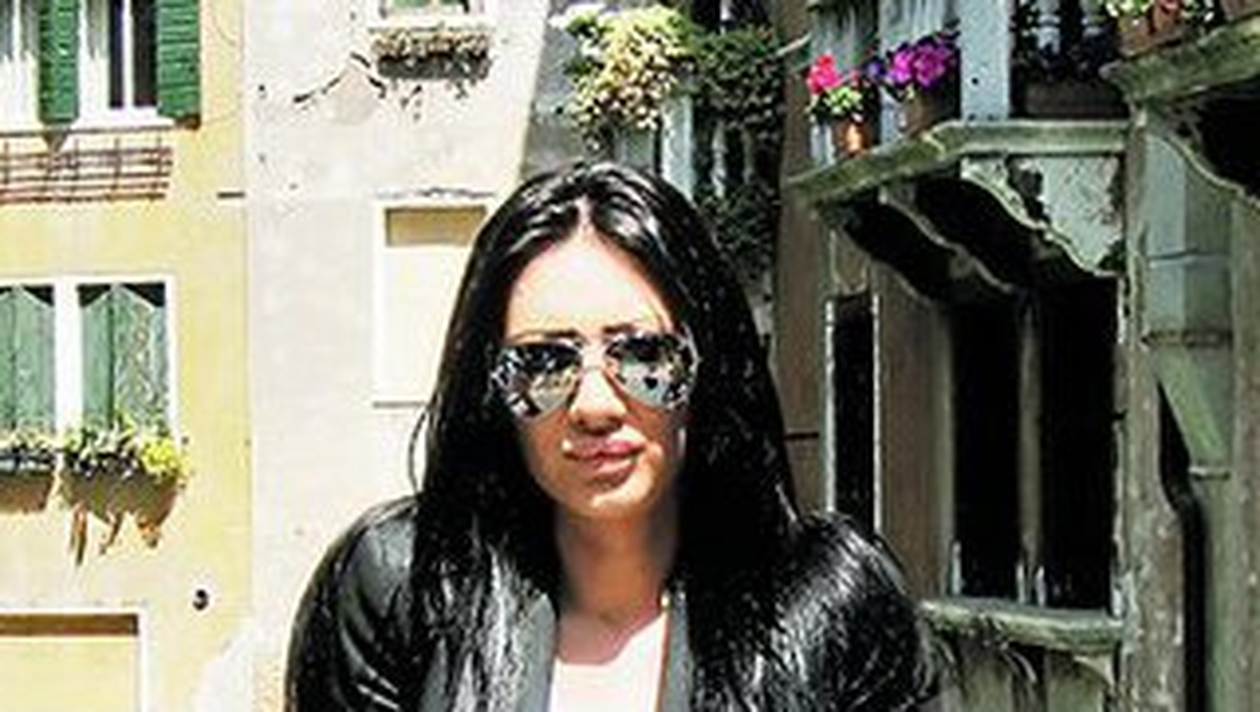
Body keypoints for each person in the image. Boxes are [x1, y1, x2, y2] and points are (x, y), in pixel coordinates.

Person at [286, 162, 934, 710]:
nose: (594, 406)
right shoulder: (401, 588)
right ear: (493, 388)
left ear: (708, 367)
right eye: (543, 362)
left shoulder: (835, 605)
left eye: (645, 357)